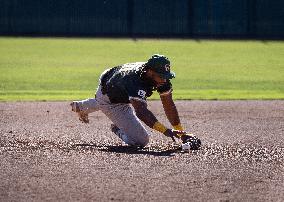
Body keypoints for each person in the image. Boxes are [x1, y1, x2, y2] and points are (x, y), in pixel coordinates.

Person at [70, 54, 200, 148]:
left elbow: (168, 105)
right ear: (150, 72)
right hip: (110, 95)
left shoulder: (158, 76)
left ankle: (80, 107)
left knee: (115, 97)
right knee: (141, 141)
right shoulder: (135, 81)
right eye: (161, 76)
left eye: (166, 76)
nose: (164, 80)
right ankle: (118, 128)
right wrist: (166, 130)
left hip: (115, 83)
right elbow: (141, 112)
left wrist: (180, 132)